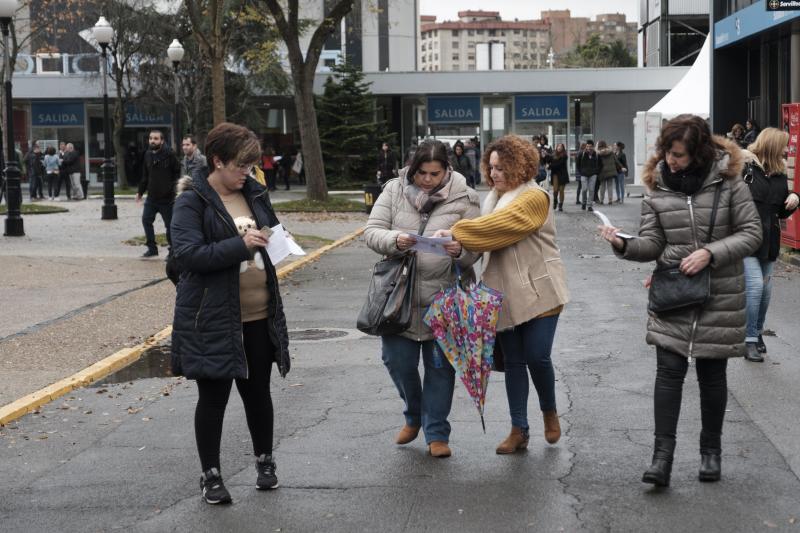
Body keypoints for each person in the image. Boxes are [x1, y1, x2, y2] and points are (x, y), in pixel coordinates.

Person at [598, 114, 762, 486]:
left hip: (719, 292)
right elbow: (653, 243)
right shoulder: (657, 188)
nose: (672, 161)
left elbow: (753, 233)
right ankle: (662, 459)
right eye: (669, 153)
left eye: (680, 155)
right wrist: (623, 244)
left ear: (700, 153)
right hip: (673, 291)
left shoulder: (729, 180)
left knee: (711, 374)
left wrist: (711, 253)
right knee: (668, 374)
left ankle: (710, 452)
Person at [170, 122, 290, 505]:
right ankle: (211, 475)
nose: (248, 173)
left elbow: (269, 230)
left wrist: (278, 241)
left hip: (259, 313)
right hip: (214, 317)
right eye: (241, 166)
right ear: (217, 161)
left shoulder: (253, 192)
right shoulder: (192, 201)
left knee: (258, 392)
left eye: (252, 166)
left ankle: (265, 461)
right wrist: (240, 246)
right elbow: (186, 257)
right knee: (214, 397)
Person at [436, 135, 569, 454]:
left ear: (520, 165)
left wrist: (458, 232)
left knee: (537, 356)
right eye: (491, 166)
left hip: (540, 290)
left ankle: (549, 412)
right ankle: (518, 429)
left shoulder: (535, 197)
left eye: (501, 167)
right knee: (513, 362)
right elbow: (484, 241)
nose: (494, 173)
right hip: (503, 293)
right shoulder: (493, 197)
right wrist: (458, 249)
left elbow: (502, 227)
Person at [364, 139, 480, 458]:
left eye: (434, 173)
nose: (427, 180)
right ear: (412, 169)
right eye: (421, 173)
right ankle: (413, 414)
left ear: (447, 170)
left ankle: (437, 433)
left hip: (444, 298)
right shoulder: (393, 190)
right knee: (397, 361)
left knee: (441, 368)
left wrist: (461, 250)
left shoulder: (465, 197)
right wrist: (396, 240)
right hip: (397, 298)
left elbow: (476, 246)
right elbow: (371, 231)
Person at [740, 128, 800, 362]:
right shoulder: (744, 167)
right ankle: (749, 340)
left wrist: (794, 199)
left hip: (769, 240)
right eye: (784, 145)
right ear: (773, 146)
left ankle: (756, 331)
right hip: (745, 239)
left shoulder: (779, 173)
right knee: (755, 286)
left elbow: (781, 211)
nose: (787, 149)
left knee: (765, 292)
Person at [137, 130, 181, 258]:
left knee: (170, 225)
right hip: (152, 197)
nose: (152, 141)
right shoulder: (147, 155)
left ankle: (172, 251)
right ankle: (152, 249)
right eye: (150, 138)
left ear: (162, 141)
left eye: (156, 138)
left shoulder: (170, 154)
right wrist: (140, 191)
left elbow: (177, 173)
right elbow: (145, 175)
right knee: (146, 220)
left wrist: (173, 190)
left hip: (167, 198)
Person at [576, 139, 600, 211]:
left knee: (592, 190)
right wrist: (581, 172)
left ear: (593, 147)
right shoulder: (582, 154)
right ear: (586, 146)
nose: (588, 148)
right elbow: (578, 164)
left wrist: (596, 172)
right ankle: (584, 202)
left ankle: (589, 205)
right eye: (587, 146)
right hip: (584, 174)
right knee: (584, 189)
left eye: (590, 146)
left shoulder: (595, 154)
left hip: (593, 174)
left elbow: (600, 164)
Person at [597, 140, 620, 205]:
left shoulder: (599, 153)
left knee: (602, 186)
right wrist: (621, 167)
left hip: (602, 171)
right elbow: (616, 160)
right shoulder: (611, 152)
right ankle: (610, 200)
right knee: (610, 186)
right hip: (610, 171)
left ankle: (601, 200)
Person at [548, 143, 569, 211]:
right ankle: (555, 200)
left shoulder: (564, 156)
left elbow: (559, 164)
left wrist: (550, 166)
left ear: (563, 148)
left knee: (561, 190)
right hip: (555, 175)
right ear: (556, 147)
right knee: (555, 190)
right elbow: (548, 161)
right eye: (558, 146)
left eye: (561, 146)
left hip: (562, 174)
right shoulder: (553, 155)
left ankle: (560, 205)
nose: (559, 147)